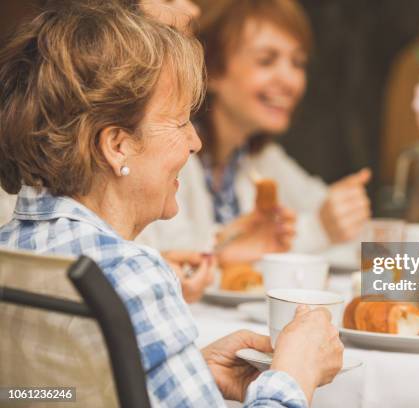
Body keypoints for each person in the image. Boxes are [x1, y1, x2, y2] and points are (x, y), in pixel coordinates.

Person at [0, 2, 343, 406]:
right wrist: (294, 375)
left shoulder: (12, 247)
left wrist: (181, 372)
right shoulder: (130, 272)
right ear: (117, 145)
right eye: (180, 122)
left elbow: (49, 392)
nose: (195, 142)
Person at [137, 0, 372, 255]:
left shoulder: (257, 158)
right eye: (266, 61)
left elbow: (323, 208)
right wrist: (319, 229)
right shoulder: (171, 154)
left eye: (298, 63)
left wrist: (345, 212)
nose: (290, 80)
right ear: (212, 70)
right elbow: (176, 260)